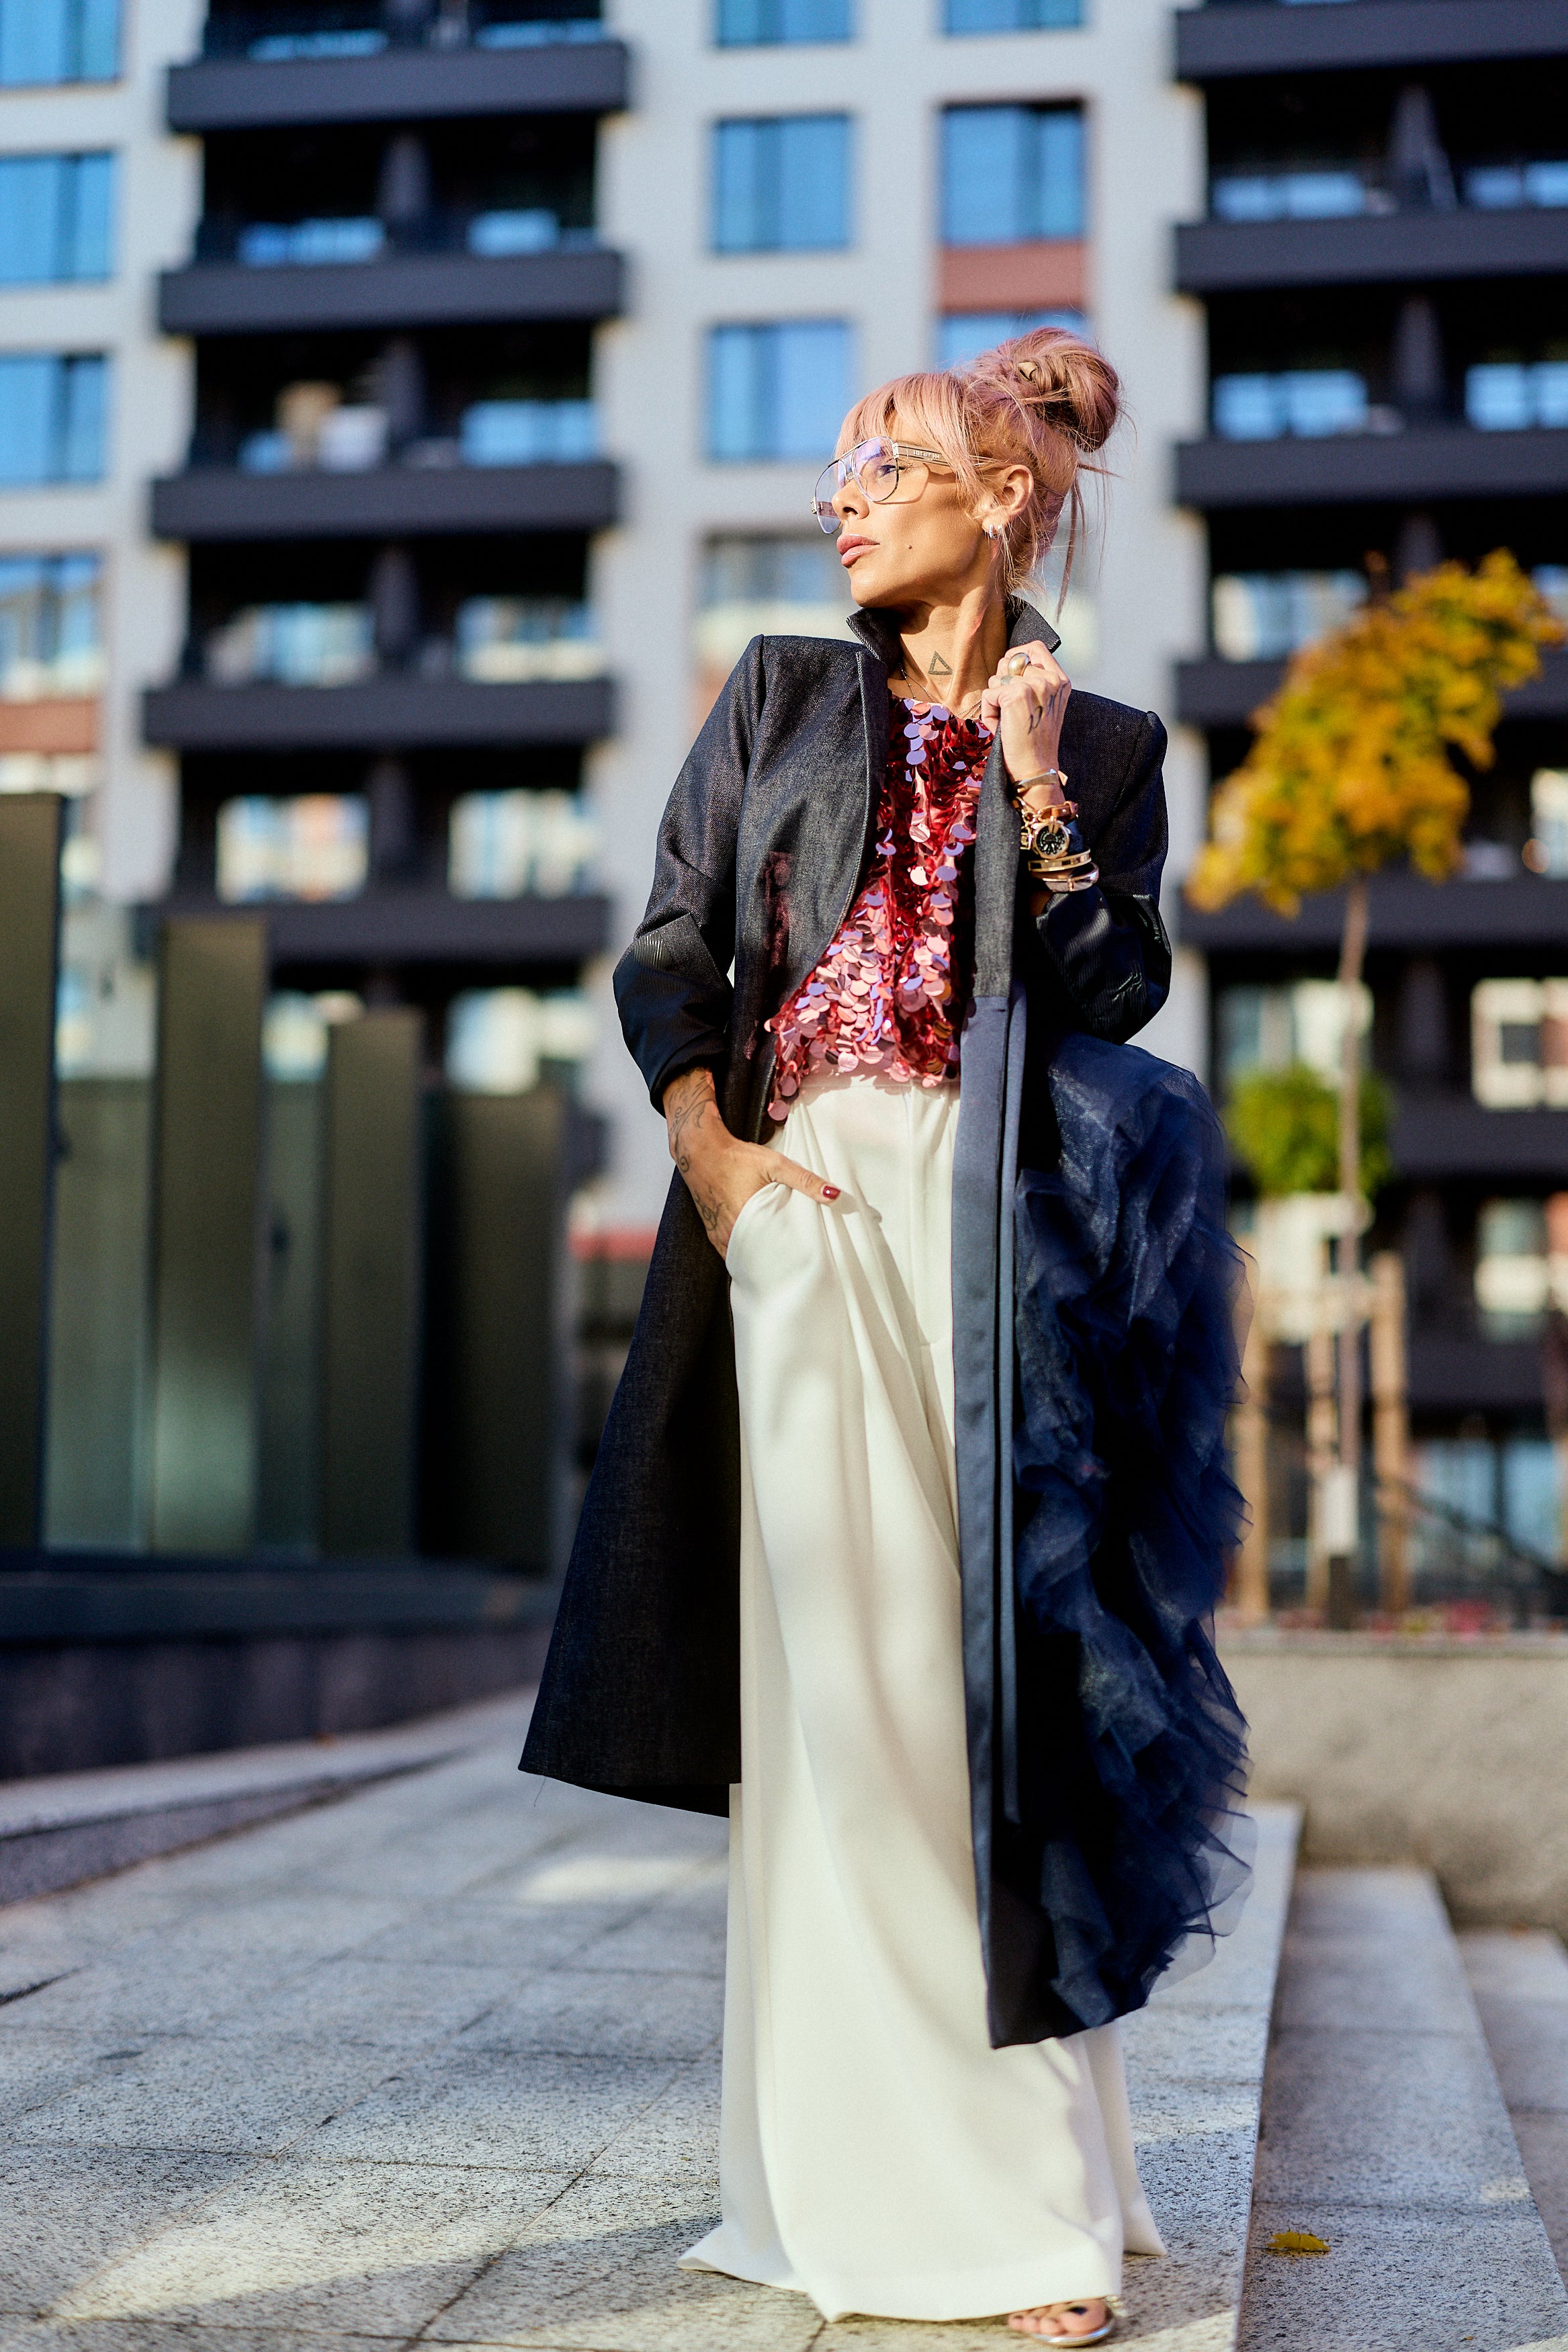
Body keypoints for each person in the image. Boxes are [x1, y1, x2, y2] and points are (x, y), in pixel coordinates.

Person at [522, 328, 1252, 2345]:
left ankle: (1019, 2175)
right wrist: (724, 1167)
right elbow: (670, 947)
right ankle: (964, 2210)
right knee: (847, 1719)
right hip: (806, 1213)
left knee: (979, 1714)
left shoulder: (1099, 743)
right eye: (838, 471)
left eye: (882, 466)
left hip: (1000, 1255)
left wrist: (1032, 787)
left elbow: (1108, 989)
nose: (839, 497)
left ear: (996, 502)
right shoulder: (778, 692)